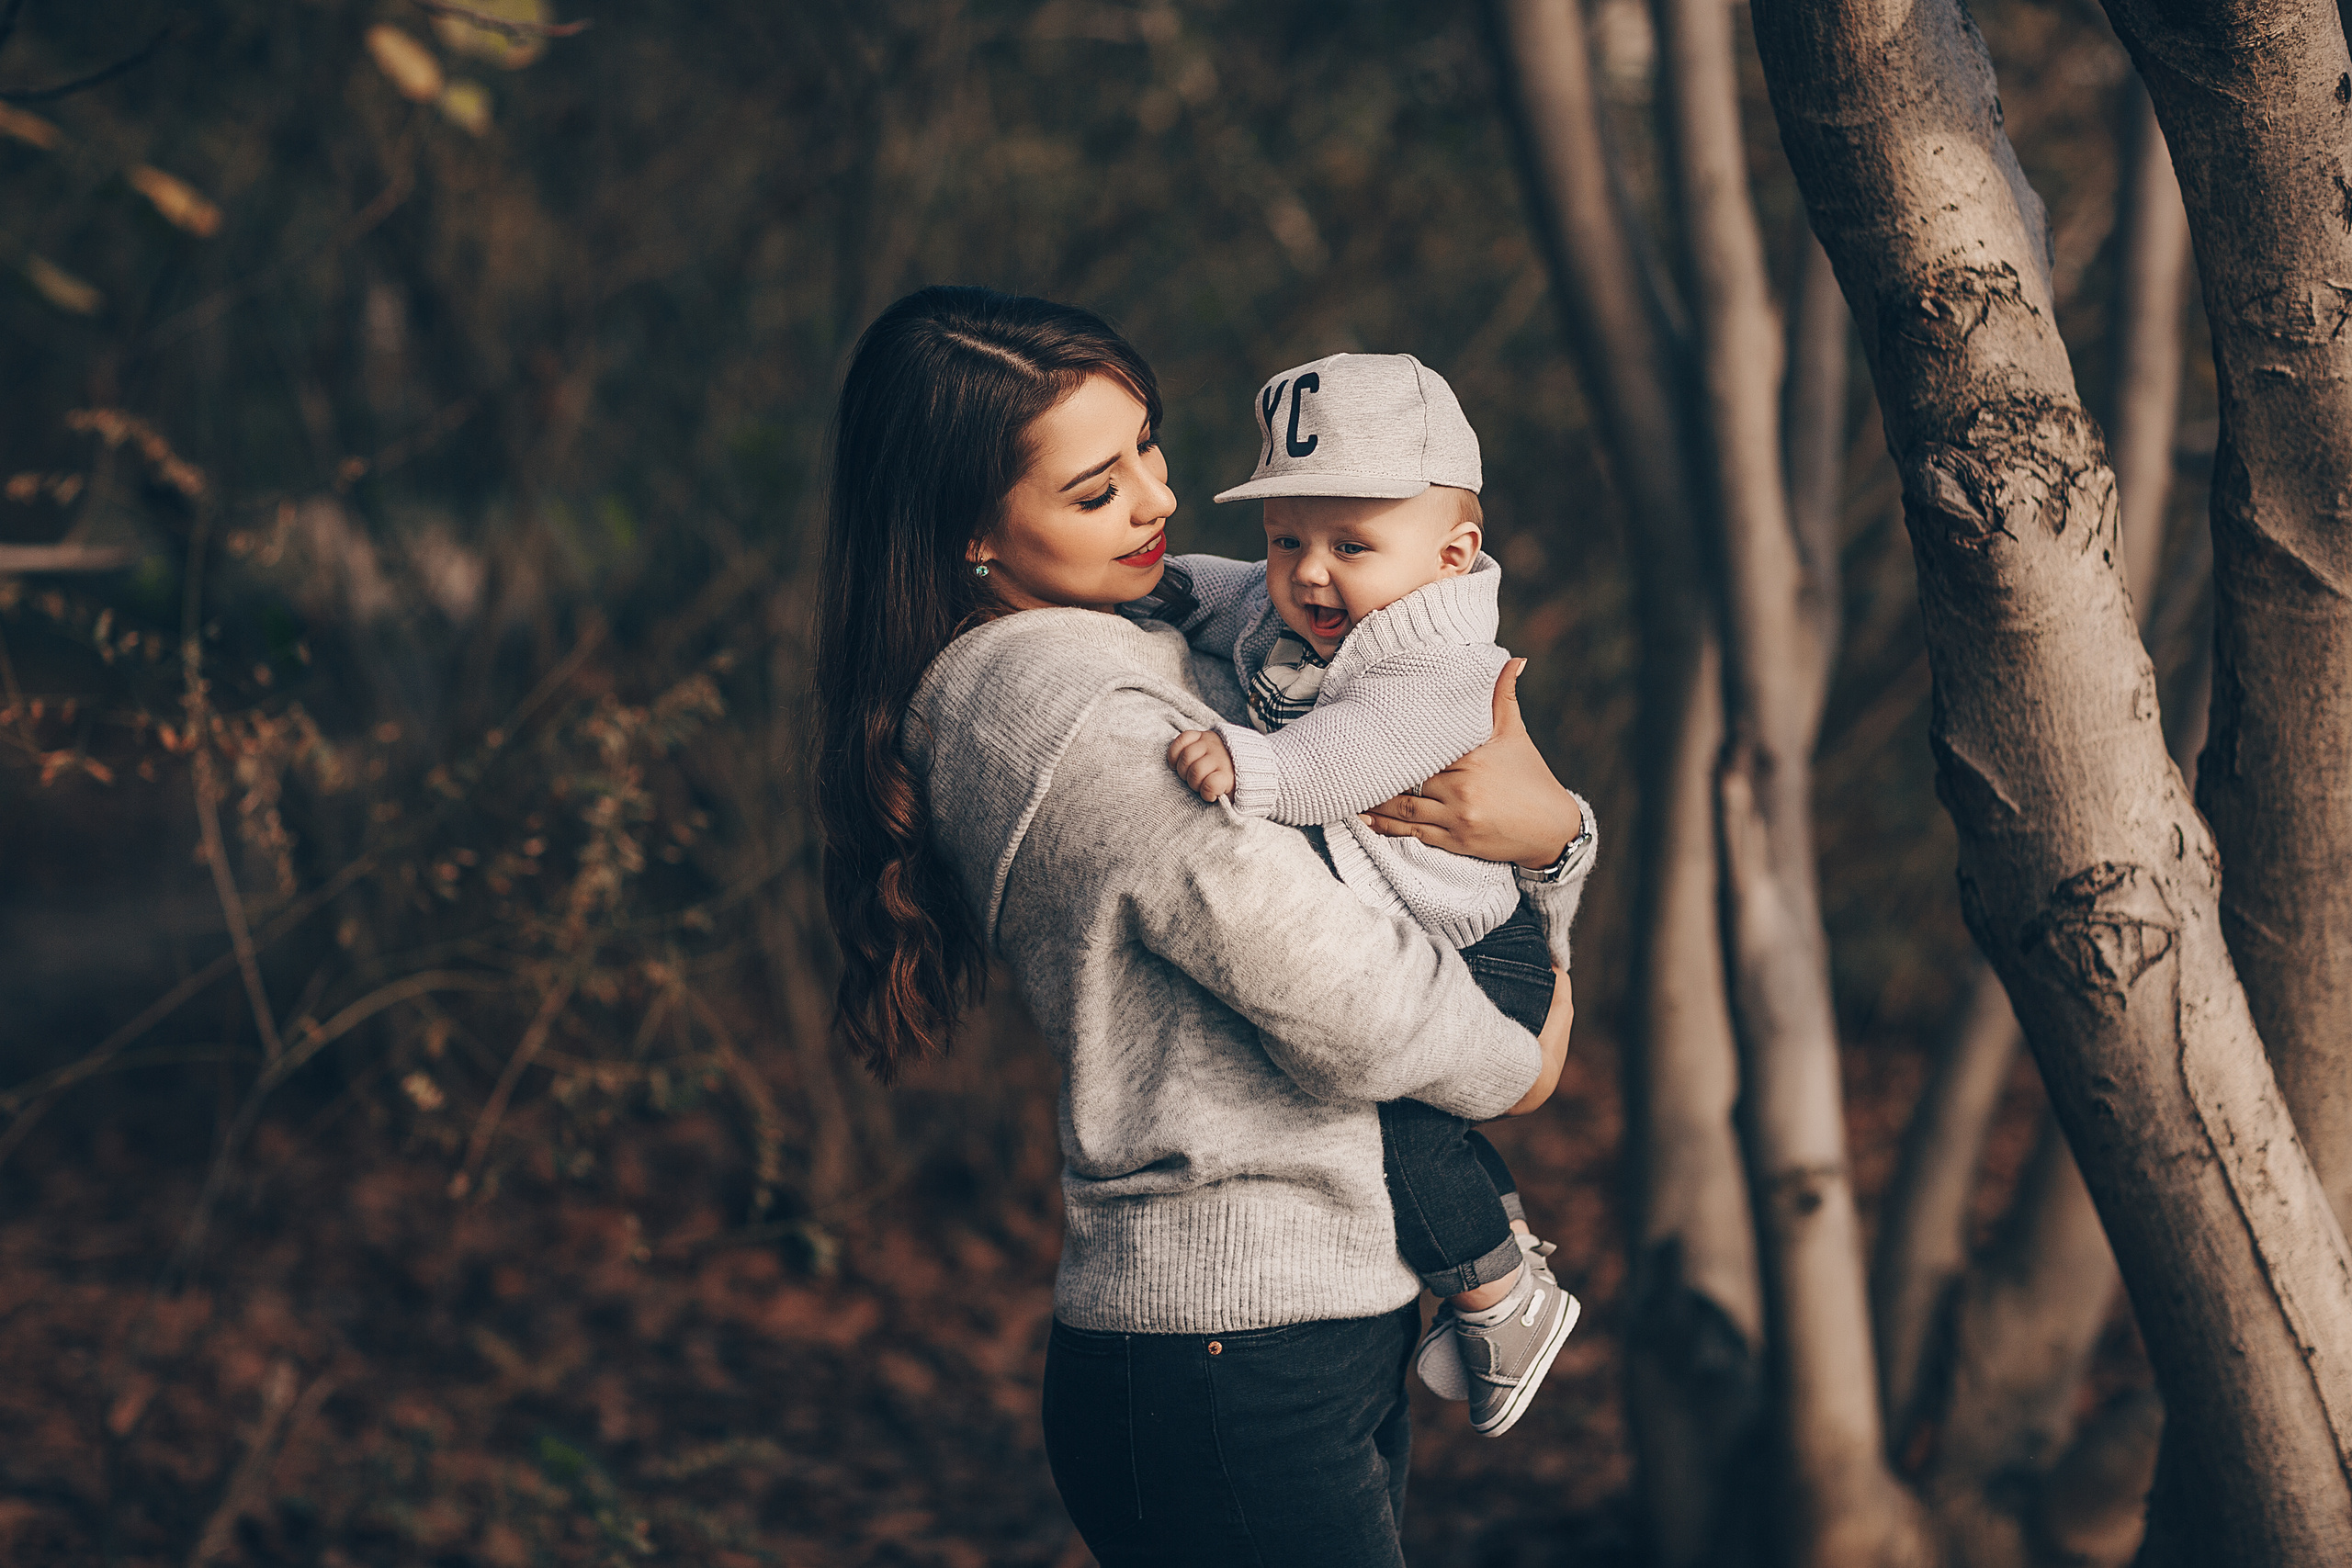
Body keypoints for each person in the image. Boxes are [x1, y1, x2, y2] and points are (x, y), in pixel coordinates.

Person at [813, 285, 1595, 1568]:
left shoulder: (1153, 634)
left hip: (1302, 1323)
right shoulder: (1057, 705)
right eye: (1092, 487)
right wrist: (1527, 1059)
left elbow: (1436, 821)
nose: (1157, 500)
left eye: (1148, 445)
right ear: (968, 531)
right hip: (1233, 1346)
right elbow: (1329, 971)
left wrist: (1554, 838)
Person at [1150, 352, 1589, 1438]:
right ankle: (1497, 1244)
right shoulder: (1298, 607)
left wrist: (1254, 766)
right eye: (1286, 537)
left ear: (1452, 556)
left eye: (1350, 545)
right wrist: (1146, 585)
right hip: (1434, 938)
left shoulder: (1440, 663)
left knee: (1385, 1109)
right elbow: (1218, 590)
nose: (1306, 575)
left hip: (1486, 953)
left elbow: (1342, 762)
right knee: (1382, 1102)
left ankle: (1499, 1290)